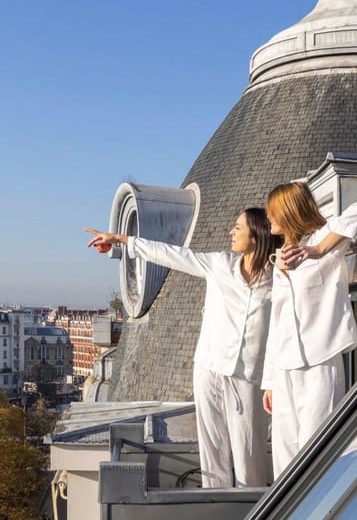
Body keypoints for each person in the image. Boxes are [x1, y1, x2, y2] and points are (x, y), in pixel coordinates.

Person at [85, 207, 277, 488]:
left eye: (238, 227)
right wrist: (122, 240)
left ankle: (257, 505)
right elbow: (173, 255)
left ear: (256, 235)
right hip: (209, 367)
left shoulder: (277, 277)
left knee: (250, 449)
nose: (231, 232)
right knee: (212, 448)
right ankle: (216, 501)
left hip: (248, 375)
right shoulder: (220, 264)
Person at [261, 181, 357, 477]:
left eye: (272, 211)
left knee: (315, 450)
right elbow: (277, 322)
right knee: (284, 454)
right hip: (283, 366)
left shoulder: (325, 238)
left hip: (320, 361)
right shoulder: (280, 258)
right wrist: (269, 381)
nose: (268, 217)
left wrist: (317, 250)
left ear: (288, 211)